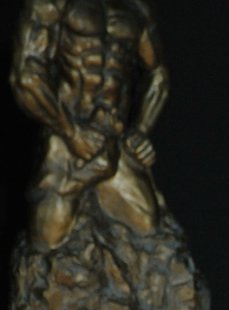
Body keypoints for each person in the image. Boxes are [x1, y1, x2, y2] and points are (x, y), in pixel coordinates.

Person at [10, 0, 169, 248]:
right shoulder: (51, 4)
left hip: (113, 137)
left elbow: (158, 74)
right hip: (66, 137)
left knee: (147, 225)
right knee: (47, 239)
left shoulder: (136, 8)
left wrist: (141, 130)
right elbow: (26, 77)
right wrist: (71, 133)